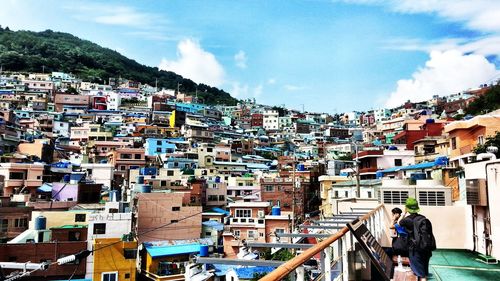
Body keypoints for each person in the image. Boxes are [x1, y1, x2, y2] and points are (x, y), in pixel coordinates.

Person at [400, 198, 434, 281]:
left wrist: (404, 213)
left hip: (415, 249)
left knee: (421, 275)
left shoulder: (406, 220)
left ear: (407, 208)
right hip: (426, 248)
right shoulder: (423, 218)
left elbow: (399, 224)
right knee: (424, 272)